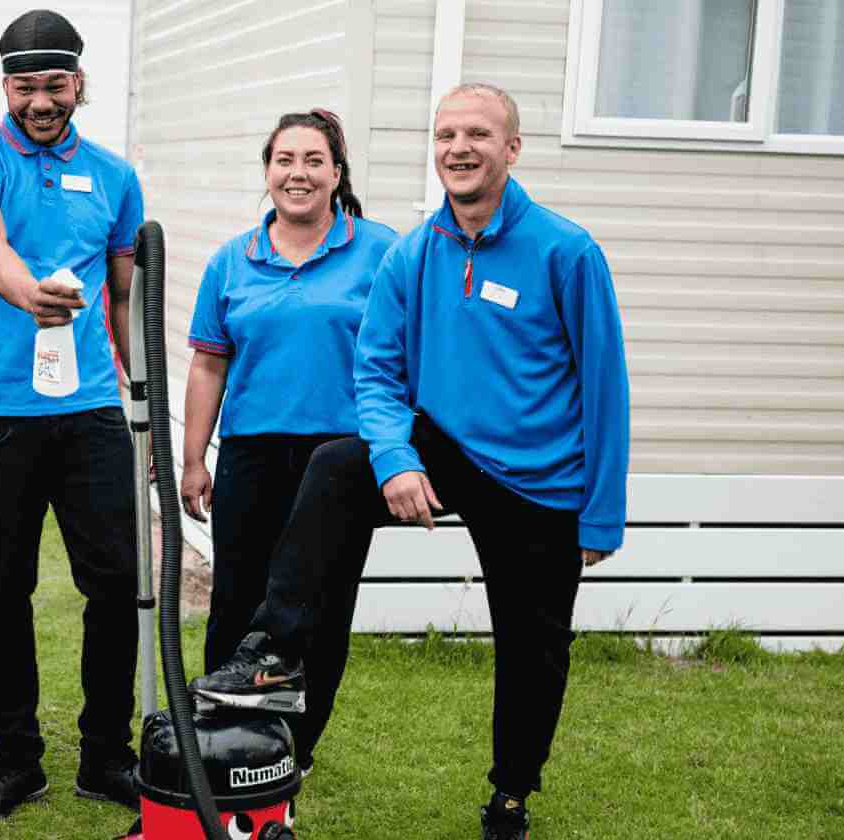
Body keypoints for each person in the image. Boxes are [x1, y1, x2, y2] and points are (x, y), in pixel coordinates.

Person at [190, 83, 630, 840]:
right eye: (446, 133)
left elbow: (605, 385)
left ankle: (511, 797)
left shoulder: (566, 251)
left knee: (534, 652)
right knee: (338, 465)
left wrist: (601, 511)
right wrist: (394, 460)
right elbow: (378, 367)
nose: (459, 148)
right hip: (446, 448)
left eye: (478, 135)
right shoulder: (416, 252)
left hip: (538, 480)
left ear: (512, 148)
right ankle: (274, 647)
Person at [0, 8, 146, 820]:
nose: (41, 100)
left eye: (54, 84)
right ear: (6, 88)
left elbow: (124, 291)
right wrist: (35, 297)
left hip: (90, 406)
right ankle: (18, 757)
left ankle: (106, 754)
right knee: (4, 587)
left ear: (78, 83)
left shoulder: (115, 175)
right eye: (26, 86)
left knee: (116, 583)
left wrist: (138, 391)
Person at [178, 109, 396, 775]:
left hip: (341, 460)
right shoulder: (233, 260)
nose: (297, 173)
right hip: (252, 454)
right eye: (284, 160)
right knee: (236, 604)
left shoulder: (383, 251)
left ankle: (293, 755)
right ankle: (220, 743)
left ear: (337, 172)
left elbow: (406, 359)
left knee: (323, 613)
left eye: (312, 160)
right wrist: (193, 457)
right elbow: (209, 363)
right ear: (268, 172)